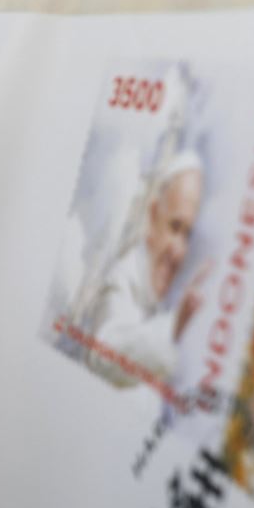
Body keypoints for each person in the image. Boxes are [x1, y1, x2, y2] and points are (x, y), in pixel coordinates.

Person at [82, 151, 208, 390]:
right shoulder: (123, 278)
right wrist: (174, 329)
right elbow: (103, 354)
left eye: (187, 234)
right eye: (174, 227)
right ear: (152, 216)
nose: (179, 251)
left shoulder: (160, 291)